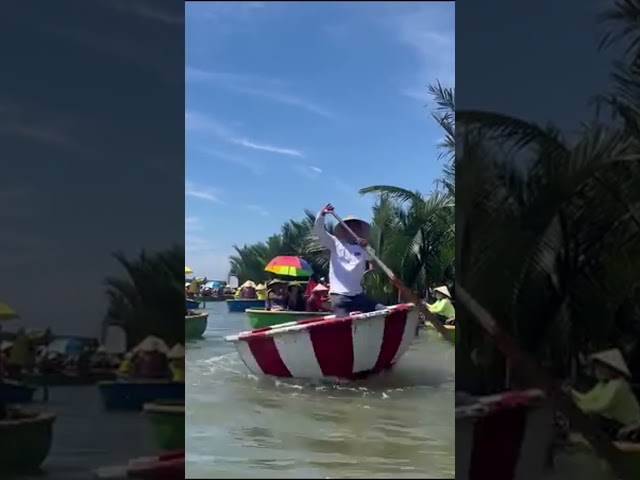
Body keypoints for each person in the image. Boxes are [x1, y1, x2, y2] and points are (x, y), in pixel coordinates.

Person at [314, 203, 384, 316]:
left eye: (355, 226)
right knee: (343, 325)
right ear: (343, 229)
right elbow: (319, 231)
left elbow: (374, 263)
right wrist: (322, 214)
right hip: (340, 296)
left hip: (358, 295)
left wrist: (367, 248)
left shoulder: (364, 247)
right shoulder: (334, 243)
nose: (352, 228)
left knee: (382, 310)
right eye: (349, 226)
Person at [566, 348, 640, 438]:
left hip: (632, 425)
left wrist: (577, 407)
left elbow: (601, 406)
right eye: (596, 368)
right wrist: (571, 393)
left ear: (610, 369)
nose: (596, 371)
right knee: (593, 416)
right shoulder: (602, 384)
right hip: (616, 422)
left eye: (600, 368)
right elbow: (587, 398)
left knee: (595, 418)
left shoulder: (618, 385)